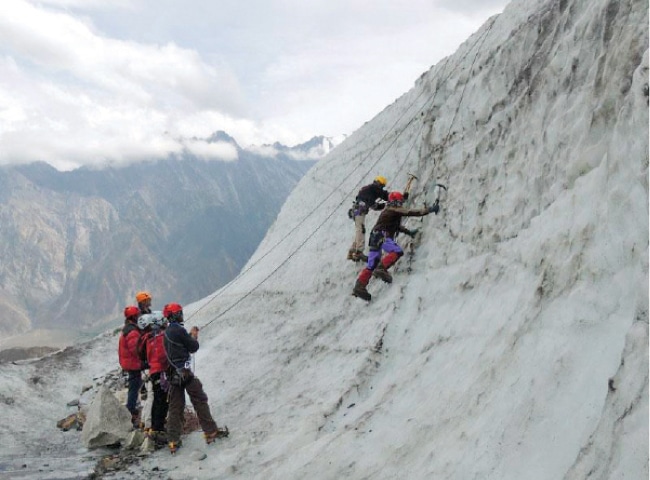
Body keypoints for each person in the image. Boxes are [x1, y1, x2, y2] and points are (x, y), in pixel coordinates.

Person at [163, 303, 228, 453]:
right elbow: (193, 347)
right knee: (200, 399)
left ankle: (173, 441)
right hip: (185, 373)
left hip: (173, 374)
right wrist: (193, 336)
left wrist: (189, 336)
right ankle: (211, 433)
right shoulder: (178, 329)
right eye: (179, 312)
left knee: (175, 407)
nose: (181, 314)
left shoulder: (167, 331)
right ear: (173, 315)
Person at [352, 191, 439, 301]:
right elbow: (411, 212)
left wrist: (409, 232)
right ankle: (382, 268)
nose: (400, 204)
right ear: (395, 202)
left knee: (372, 264)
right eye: (399, 202)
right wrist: (429, 210)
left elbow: (397, 227)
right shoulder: (393, 209)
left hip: (374, 236)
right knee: (397, 251)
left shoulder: (390, 211)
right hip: (382, 235)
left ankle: (359, 286)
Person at [138, 311, 170, 446]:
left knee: (155, 397)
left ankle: (150, 426)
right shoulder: (157, 338)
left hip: (151, 370)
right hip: (159, 370)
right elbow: (162, 356)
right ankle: (156, 428)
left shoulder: (147, 338)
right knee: (159, 399)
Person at [347, 176, 390, 262]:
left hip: (357, 211)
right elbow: (373, 202)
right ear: (378, 183)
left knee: (359, 229)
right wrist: (383, 205)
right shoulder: (372, 189)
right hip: (359, 211)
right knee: (361, 230)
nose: (381, 188)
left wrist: (389, 198)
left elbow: (382, 195)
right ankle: (359, 251)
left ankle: (352, 252)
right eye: (381, 185)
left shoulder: (369, 189)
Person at [118, 305, 144, 427]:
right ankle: (131, 410)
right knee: (134, 386)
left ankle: (131, 408)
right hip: (133, 363)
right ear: (133, 317)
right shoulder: (132, 331)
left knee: (134, 385)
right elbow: (136, 350)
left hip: (129, 363)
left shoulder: (128, 328)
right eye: (137, 315)